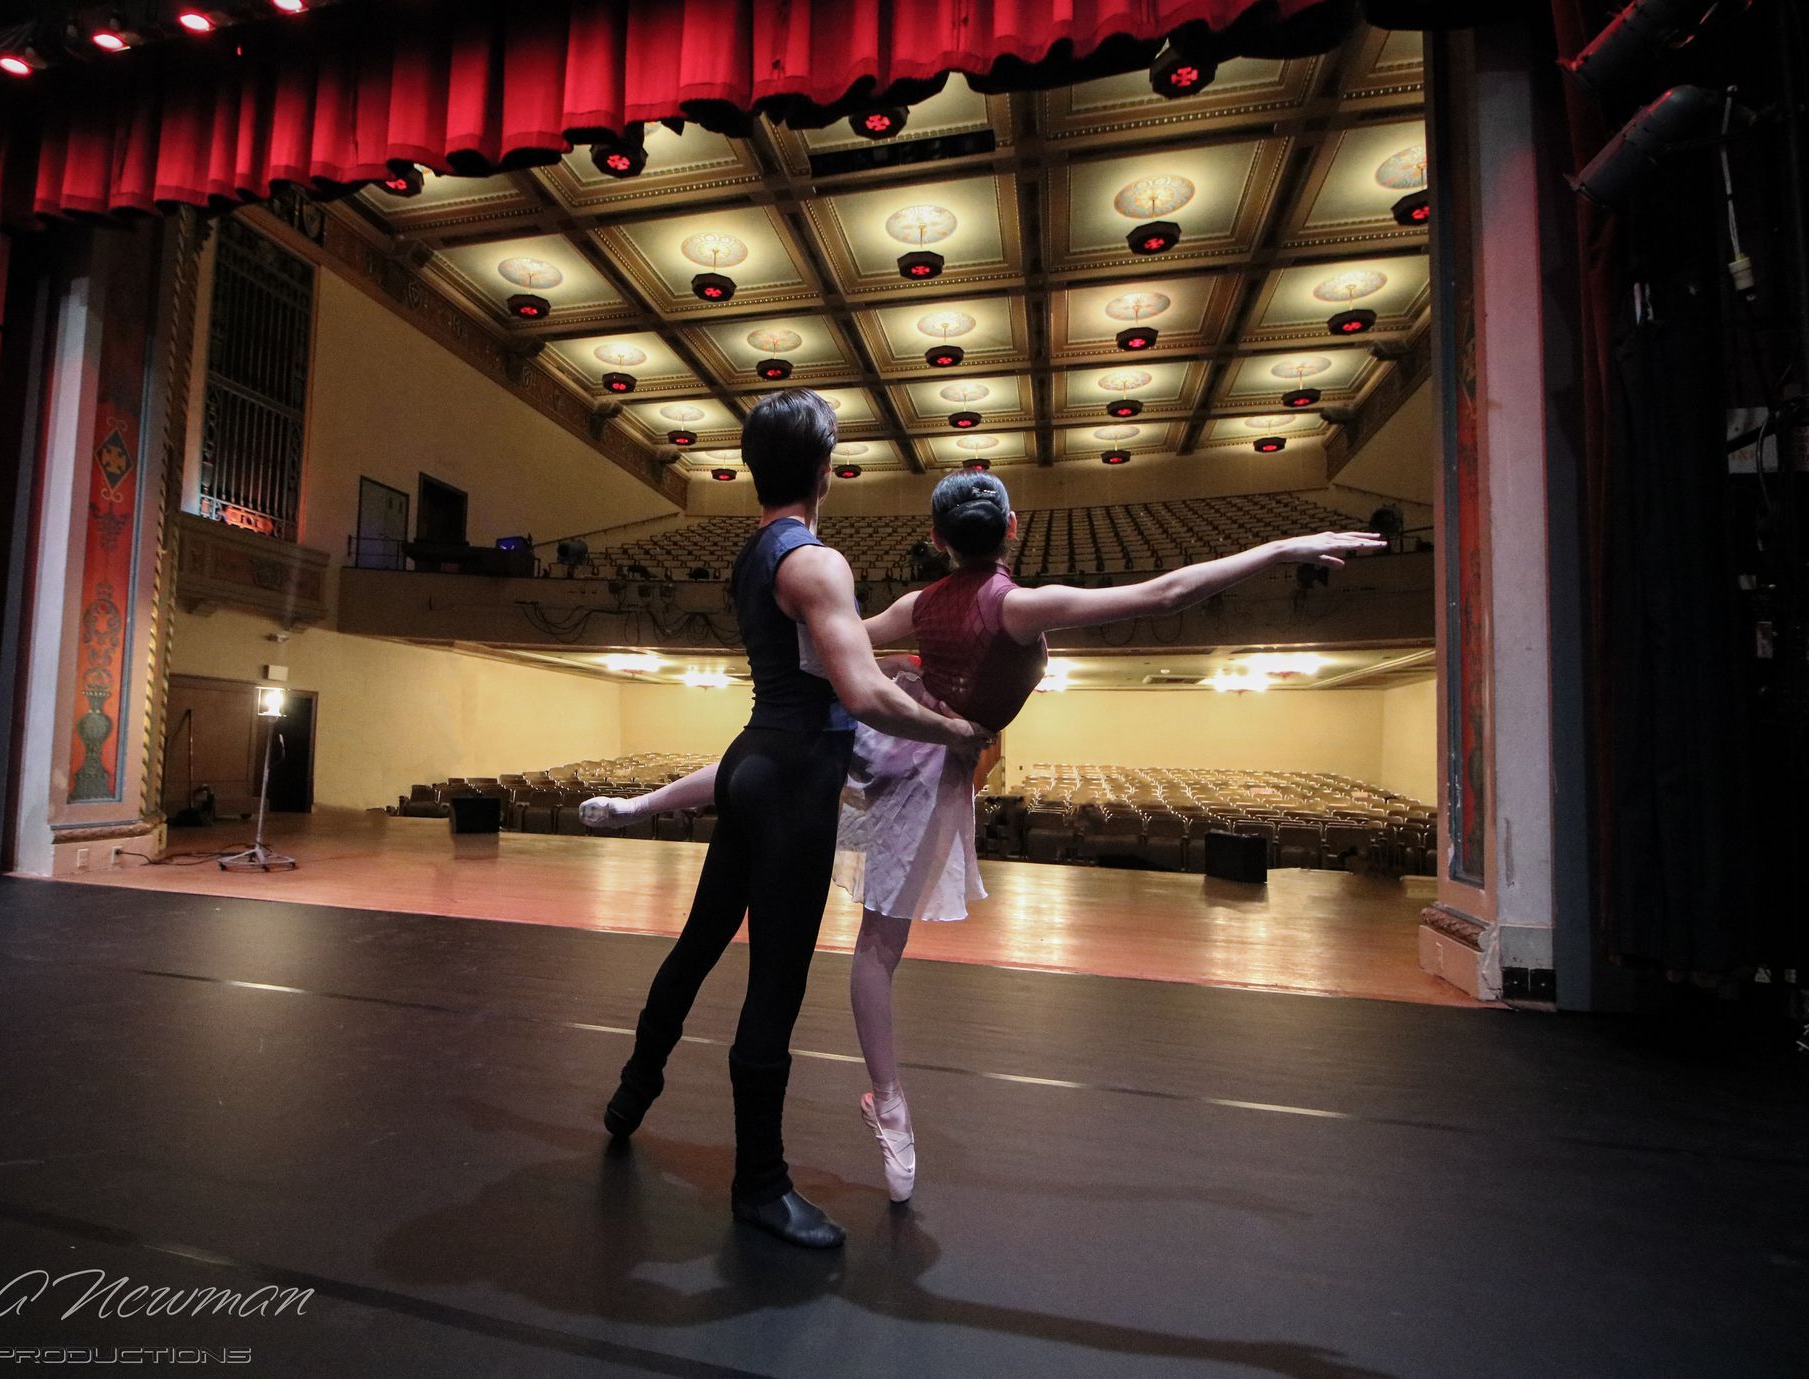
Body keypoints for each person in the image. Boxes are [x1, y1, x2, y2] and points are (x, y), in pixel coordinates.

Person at [587, 472, 1383, 1204]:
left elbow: (828, 637)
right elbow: (1168, 592)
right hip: (937, 753)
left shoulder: (922, 604)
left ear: (938, 540)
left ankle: (643, 804)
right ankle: (889, 1108)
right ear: (1012, 527)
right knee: (875, 949)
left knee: (772, 760)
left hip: (898, 715)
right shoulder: (1016, 604)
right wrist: (1286, 546)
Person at [600, 389, 990, 1250]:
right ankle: (760, 1185)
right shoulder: (816, 562)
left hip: (751, 760)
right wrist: (954, 727)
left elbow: (832, 662)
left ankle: (633, 1091)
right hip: (793, 786)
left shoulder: (756, 553)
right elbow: (859, 693)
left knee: (697, 946)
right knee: (772, 990)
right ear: (824, 471)